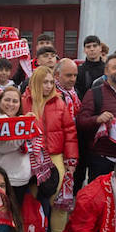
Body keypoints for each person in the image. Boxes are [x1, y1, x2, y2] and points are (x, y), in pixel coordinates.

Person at [22, 66, 79, 211]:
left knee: (54, 197)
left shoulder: (59, 102)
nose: (48, 86)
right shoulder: (23, 102)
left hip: (55, 156)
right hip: (31, 157)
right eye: (44, 82)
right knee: (33, 199)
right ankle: (37, 230)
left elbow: (70, 133)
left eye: (51, 82)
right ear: (35, 82)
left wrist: (71, 160)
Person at [77, 54, 116, 180]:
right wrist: (97, 119)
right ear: (106, 71)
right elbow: (81, 122)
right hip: (101, 160)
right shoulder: (94, 93)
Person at [0, 85, 31, 189]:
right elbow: (2, 147)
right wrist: (23, 130)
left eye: (15, 101)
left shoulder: (23, 120)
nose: (10, 104)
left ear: (20, 104)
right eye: (7, 100)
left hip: (21, 179)